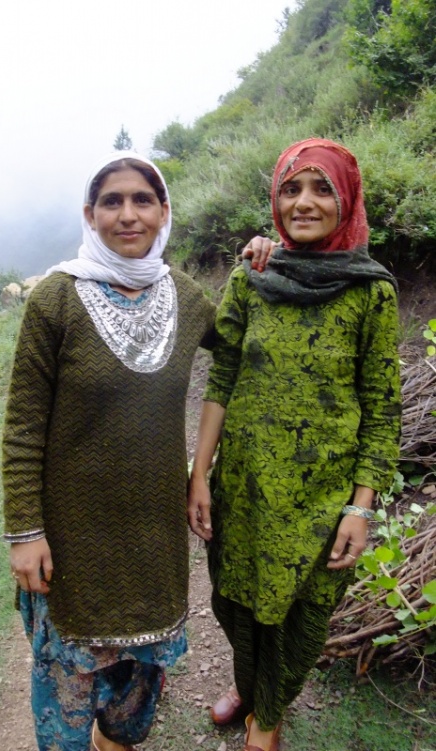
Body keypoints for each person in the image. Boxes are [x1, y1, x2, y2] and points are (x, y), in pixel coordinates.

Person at [2, 150, 271, 751]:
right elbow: (22, 428)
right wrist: (25, 533)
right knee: (66, 689)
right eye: (112, 202)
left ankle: (116, 742)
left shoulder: (184, 296)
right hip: (73, 536)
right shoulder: (56, 301)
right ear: (89, 214)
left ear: (164, 212)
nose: (128, 215)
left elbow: (237, 339)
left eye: (142, 200)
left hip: (153, 533)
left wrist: (258, 263)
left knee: (135, 692)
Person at [188, 138, 401, 751]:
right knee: (236, 601)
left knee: (298, 615)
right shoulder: (253, 276)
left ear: (346, 200)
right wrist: (200, 473)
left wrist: (360, 507)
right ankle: (250, 688)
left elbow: (382, 407)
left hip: (321, 496)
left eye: (321, 189)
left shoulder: (371, 292)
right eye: (290, 189)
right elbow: (222, 376)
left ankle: (269, 716)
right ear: (275, 201)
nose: (303, 203)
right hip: (245, 484)